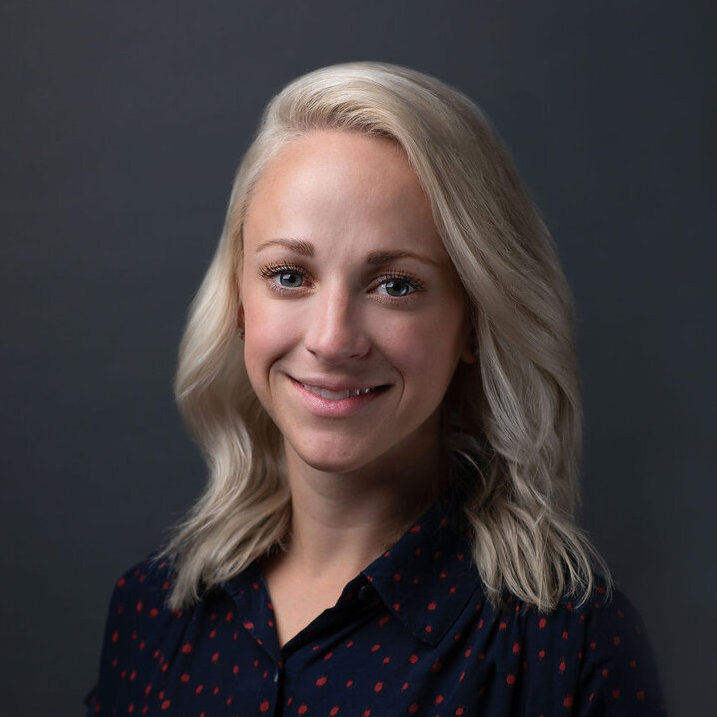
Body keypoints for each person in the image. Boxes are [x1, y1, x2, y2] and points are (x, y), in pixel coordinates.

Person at [85, 62, 665, 716]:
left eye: (396, 285)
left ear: (472, 320)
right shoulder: (150, 614)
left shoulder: (568, 649)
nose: (332, 340)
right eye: (288, 276)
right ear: (238, 302)